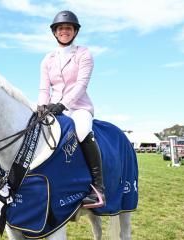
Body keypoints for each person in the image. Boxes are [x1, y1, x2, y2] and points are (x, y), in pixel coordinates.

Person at [37, 10, 105, 208]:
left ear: (74, 32)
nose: (64, 31)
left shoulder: (83, 53)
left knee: (82, 130)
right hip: (53, 108)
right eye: (60, 28)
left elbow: (81, 85)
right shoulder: (47, 59)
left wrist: (63, 105)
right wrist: (42, 107)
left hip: (78, 107)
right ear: (55, 32)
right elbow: (44, 87)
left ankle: (99, 188)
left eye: (68, 28)